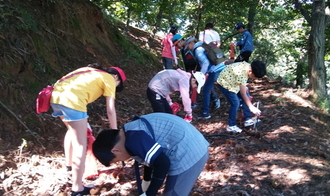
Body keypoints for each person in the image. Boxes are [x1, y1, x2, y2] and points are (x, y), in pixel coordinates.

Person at [50, 63, 126, 196]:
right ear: (116, 77)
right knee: (81, 143)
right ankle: (77, 189)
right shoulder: (109, 78)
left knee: (72, 131)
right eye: (117, 85)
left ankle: (69, 166)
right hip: (72, 101)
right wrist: (115, 135)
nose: (115, 88)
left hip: (55, 97)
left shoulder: (89, 70)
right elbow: (110, 110)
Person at [92, 113, 210, 196]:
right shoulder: (129, 130)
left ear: (115, 150)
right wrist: (147, 181)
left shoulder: (133, 140)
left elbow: (163, 164)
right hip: (192, 143)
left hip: (189, 154)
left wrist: (149, 193)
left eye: (116, 161)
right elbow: (149, 157)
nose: (120, 162)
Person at [217, 60, 266, 133]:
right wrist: (251, 107)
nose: (254, 79)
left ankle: (247, 119)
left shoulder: (248, 66)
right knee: (235, 103)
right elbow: (243, 94)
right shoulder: (242, 74)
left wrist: (244, 87)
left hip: (233, 82)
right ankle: (231, 126)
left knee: (247, 96)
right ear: (250, 71)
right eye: (254, 77)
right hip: (225, 84)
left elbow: (242, 88)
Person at [184, 37, 225, 119]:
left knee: (206, 90)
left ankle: (205, 112)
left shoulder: (197, 50)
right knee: (225, 87)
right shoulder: (202, 46)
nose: (188, 49)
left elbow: (205, 63)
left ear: (191, 43)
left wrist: (201, 75)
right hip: (221, 67)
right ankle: (239, 102)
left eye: (187, 46)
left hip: (215, 70)